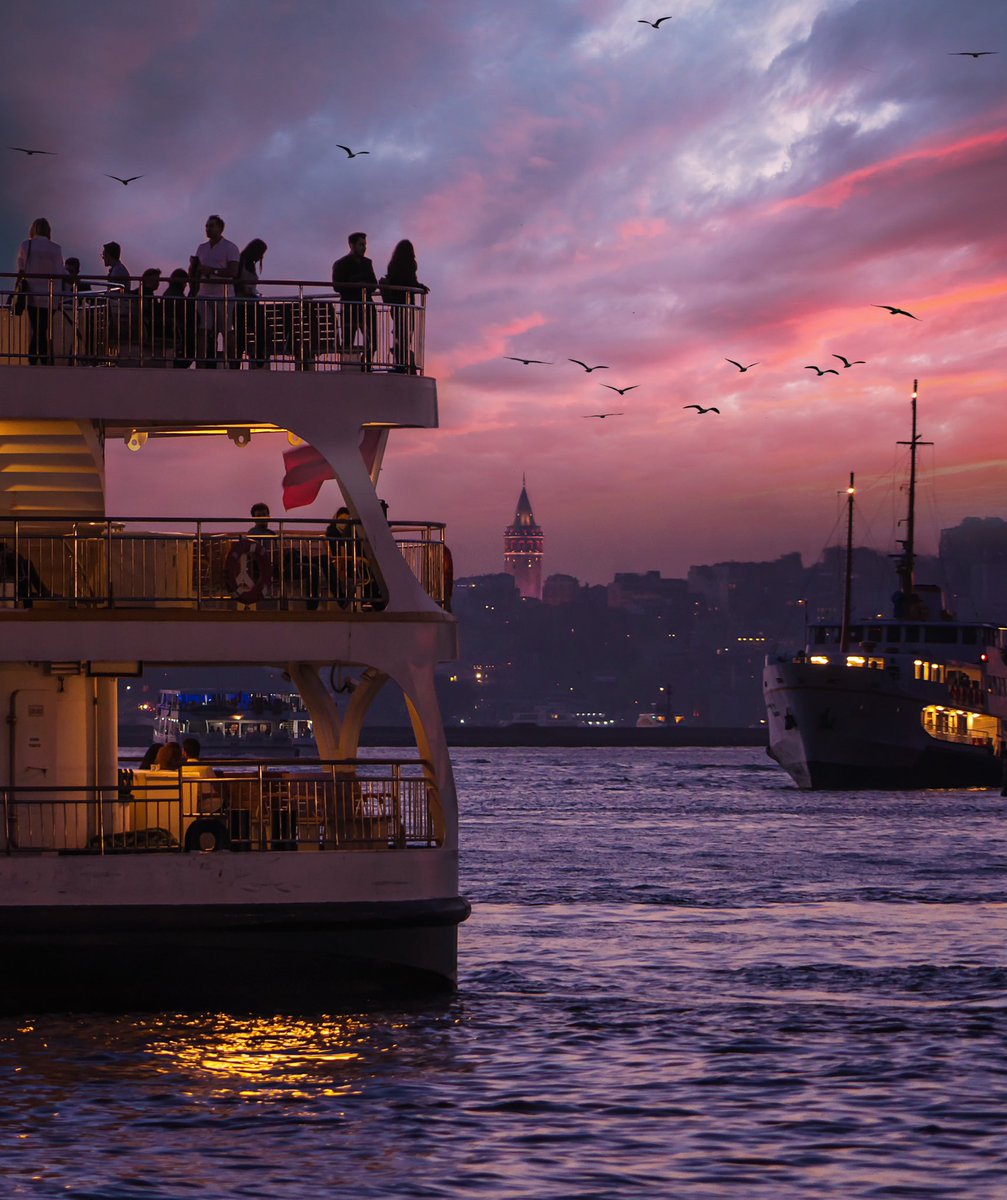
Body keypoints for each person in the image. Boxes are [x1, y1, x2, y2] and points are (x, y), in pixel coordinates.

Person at [14, 218, 65, 365]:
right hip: (51, 295)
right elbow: (60, 270)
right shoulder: (56, 248)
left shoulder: (26, 245)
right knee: (42, 328)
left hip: (32, 294)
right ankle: (42, 359)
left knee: (37, 327)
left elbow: (21, 269)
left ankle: (35, 359)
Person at [193, 214, 239, 368]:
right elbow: (196, 270)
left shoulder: (230, 247)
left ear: (220, 228)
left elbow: (233, 271)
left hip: (224, 296)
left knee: (226, 331)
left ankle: (232, 365)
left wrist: (212, 271)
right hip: (204, 294)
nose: (208, 228)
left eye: (211, 226)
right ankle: (201, 365)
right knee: (202, 331)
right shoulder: (201, 248)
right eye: (207, 226)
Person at [380, 239, 428, 374]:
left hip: (397, 304)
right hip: (406, 304)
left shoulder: (393, 265)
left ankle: (399, 362)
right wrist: (420, 287)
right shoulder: (409, 265)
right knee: (406, 334)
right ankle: (401, 363)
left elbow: (407, 281)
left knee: (399, 333)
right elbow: (411, 281)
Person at [331, 231, 377, 370]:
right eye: (361, 244)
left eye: (364, 245)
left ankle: (366, 365)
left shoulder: (367, 263)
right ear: (352, 245)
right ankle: (350, 368)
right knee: (348, 340)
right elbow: (337, 286)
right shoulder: (341, 264)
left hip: (367, 306)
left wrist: (363, 284)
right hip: (350, 306)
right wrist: (357, 282)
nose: (364, 248)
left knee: (372, 341)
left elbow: (374, 284)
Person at [232, 238, 269, 369]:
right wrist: (245, 291)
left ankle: (250, 359)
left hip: (250, 302)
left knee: (258, 330)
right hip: (241, 303)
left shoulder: (248, 263)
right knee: (242, 334)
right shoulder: (241, 262)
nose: (261, 256)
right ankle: (238, 362)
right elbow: (234, 282)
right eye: (261, 253)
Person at [162, 268, 197, 369]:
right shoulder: (177, 296)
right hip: (179, 331)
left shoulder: (170, 293)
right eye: (185, 282)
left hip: (175, 329)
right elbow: (187, 314)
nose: (186, 285)